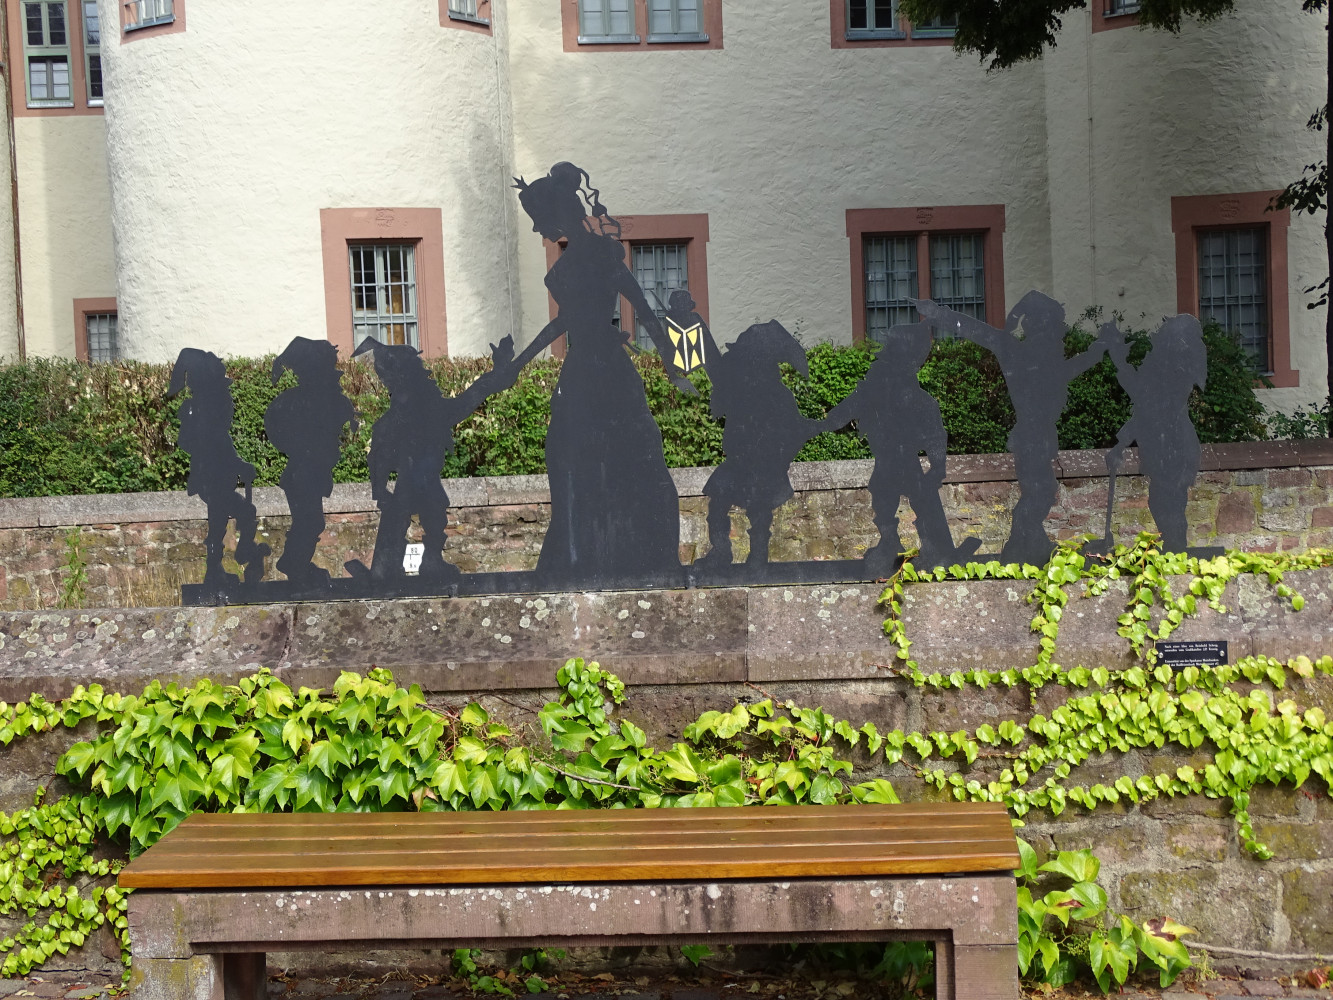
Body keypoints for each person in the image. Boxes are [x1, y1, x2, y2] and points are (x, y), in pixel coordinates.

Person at [509, 162, 694, 586]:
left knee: (600, 459)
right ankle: (585, 553)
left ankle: (603, 553)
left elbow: (644, 314)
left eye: (539, 220)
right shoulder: (579, 261)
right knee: (578, 460)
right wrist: (518, 363)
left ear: (557, 215)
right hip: (597, 369)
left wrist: (674, 369)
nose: (538, 230)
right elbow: (572, 321)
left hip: (594, 371)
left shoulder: (592, 259)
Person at [916, 292, 1108, 566]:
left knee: (1040, 490)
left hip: (1040, 435)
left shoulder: (1042, 358)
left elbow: (1066, 371)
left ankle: (1026, 544)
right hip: (1031, 435)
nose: (1059, 334)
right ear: (1038, 326)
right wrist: (939, 314)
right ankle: (1022, 545)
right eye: (1053, 326)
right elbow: (976, 330)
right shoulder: (1017, 351)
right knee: (1040, 491)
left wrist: (1097, 351)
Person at [353, 335, 516, 583]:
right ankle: (399, 566)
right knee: (420, 513)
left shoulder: (414, 410)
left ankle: (405, 565)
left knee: (422, 514)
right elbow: (380, 453)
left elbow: (465, 401)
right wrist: (379, 487)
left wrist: (496, 374)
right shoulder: (413, 412)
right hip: (417, 474)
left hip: (420, 474)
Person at [826, 323, 980, 572]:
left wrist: (937, 467)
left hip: (904, 461)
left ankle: (932, 547)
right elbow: (843, 412)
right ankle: (893, 543)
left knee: (919, 501)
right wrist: (820, 424)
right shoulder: (877, 392)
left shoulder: (916, 399)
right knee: (887, 498)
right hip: (889, 460)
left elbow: (935, 435)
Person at [698, 320, 820, 568]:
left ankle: (757, 556)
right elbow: (718, 377)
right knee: (718, 502)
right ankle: (721, 551)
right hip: (738, 463)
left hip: (765, 467)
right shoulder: (740, 389)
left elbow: (792, 430)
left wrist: (779, 459)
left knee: (759, 511)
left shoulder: (778, 395)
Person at [1102, 314, 1208, 553]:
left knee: (1168, 504)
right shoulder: (1164, 369)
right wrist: (1120, 445)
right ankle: (1174, 551)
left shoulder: (1176, 372)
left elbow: (1146, 404)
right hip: (1165, 446)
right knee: (1163, 502)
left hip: (1175, 447)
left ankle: (1176, 552)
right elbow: (1144, 409)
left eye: (1165, 334)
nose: (1158, 336)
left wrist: (1119, 359)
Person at [168, 349, 269, 588]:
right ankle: (227, 562)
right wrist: (237, 464)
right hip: (210, 478)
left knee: (222, 521)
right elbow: (212, 449)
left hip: (216, 477)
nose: (229, 403)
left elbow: (223, 449)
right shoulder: (205, 418)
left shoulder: (212, 422)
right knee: (234, 516)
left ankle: (220, 566)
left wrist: (239, 464)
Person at [265, 337, 358, 587]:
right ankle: (295, 565)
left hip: (307, 471)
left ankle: (297, 564)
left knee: (309, 521)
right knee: (311, 521)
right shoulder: (308, 401)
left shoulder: (314, 399)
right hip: (303, 472)